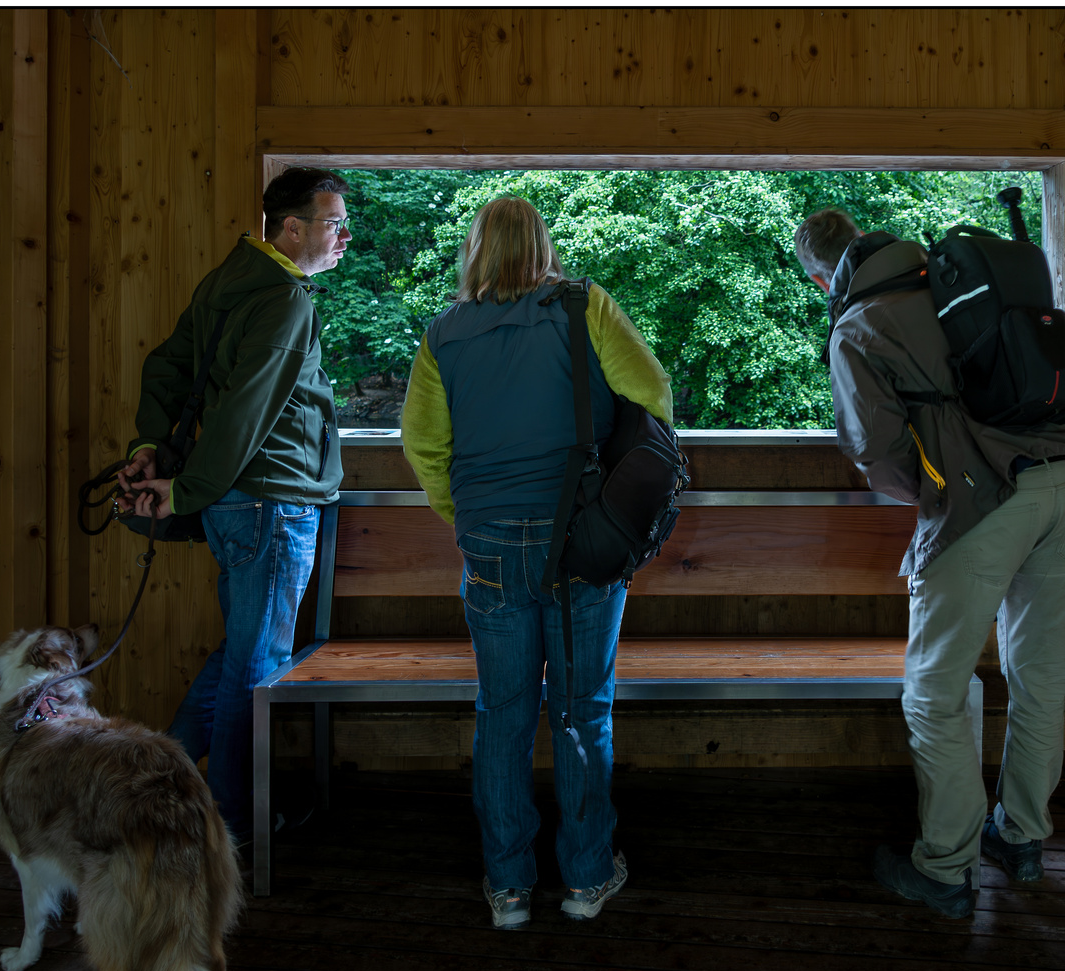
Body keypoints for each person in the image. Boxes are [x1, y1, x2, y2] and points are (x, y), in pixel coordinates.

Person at [794, 208, 1065, 918]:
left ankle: (945, 866)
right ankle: (1020, 839)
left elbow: (874, 449)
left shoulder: (858, 324)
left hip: (983, 503)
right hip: (1060, 481)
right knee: (1038, 675)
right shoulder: (948, 278)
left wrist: (933, 494)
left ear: (818, 275)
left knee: (933, 693)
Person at [401, 197, 672, 929]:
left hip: (490, 546)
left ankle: (508, 888)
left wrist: (471, 518)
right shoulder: (584, 307)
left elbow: (424, 449)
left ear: (474, 251)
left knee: (503, 716)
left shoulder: (443, 335)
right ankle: (585, 880)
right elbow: (651, 395)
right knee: (582, 714)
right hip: (580, 539)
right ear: (543, 245)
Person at [120, 166, 351, 850]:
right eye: (334, 225)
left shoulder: (226, 281)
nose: (343, 240)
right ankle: (227, 825)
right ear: (290, 228)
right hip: (270, 505)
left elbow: (164, 369)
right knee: (259, 670)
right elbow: (243, 416)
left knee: (238, 658)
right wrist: (183, 489)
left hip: (233, 507)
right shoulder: (284, 300)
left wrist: (147, 446)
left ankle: (150, 788)